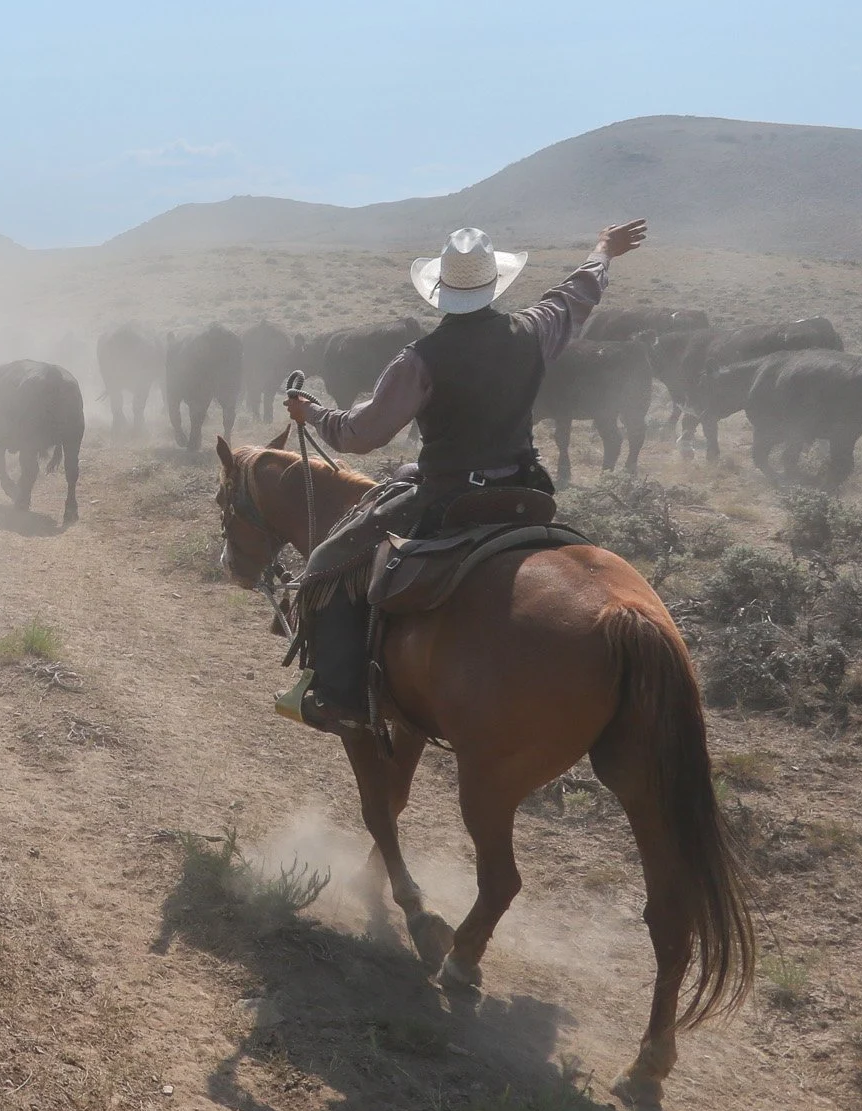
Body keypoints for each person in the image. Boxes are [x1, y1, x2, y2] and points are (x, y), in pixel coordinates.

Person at [276, 219, 648, 733]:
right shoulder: (534, 330)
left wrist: (313, 414)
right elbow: (575, 296)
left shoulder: (419, 360)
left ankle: (340, 697)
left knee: (328, 564)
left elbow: (360, 434)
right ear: (495, 286)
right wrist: (603, 251)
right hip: (526, 491)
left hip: (449, 498)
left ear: (439, 293)